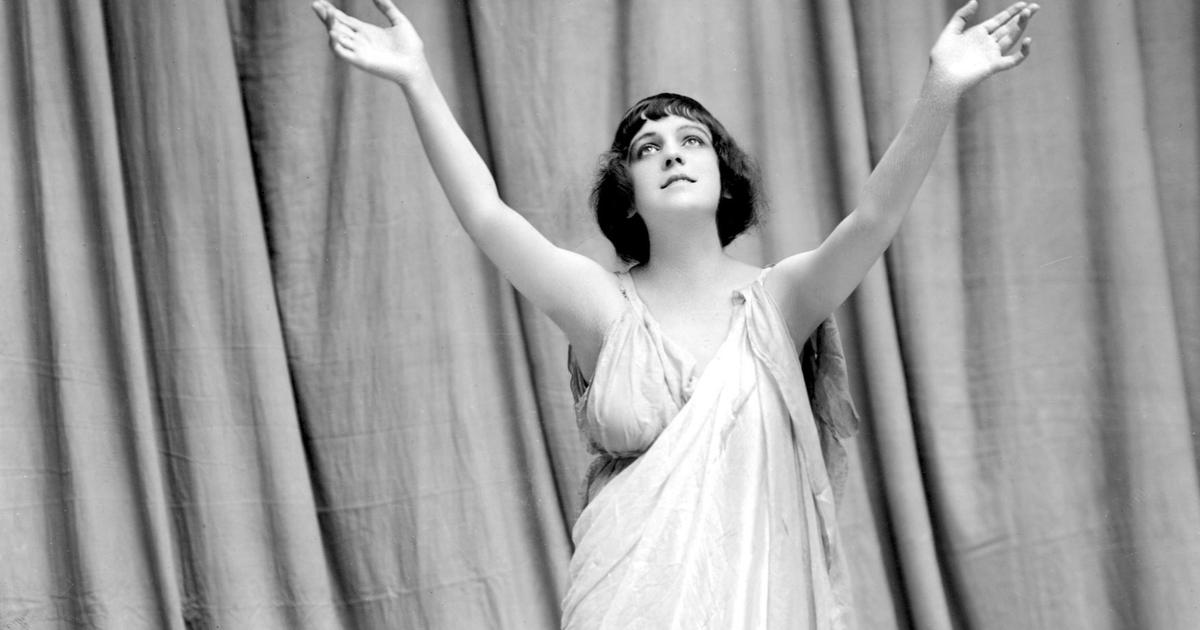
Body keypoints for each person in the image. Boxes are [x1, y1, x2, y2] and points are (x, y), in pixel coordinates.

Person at [311, 1, 1039, 627]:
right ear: (627, 194)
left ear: (725, 178)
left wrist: (941, 90)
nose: (672, 154)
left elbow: (874, 219)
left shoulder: (781, 300)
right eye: (646, 148)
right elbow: (486, 215)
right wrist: (416, 78)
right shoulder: (601, 305)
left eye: (693, 141)